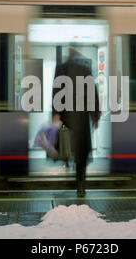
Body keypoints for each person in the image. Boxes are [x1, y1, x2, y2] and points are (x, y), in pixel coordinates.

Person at [52, 46, 101, 197]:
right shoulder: (85, 70)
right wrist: (95, 116)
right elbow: (93, 93)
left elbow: (56, 92)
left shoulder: (60, 69)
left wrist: (56, 113)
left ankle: (67, 163)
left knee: (67, 146)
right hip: (81, 118)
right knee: (81, 154)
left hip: (67, 116)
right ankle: (81, 187)